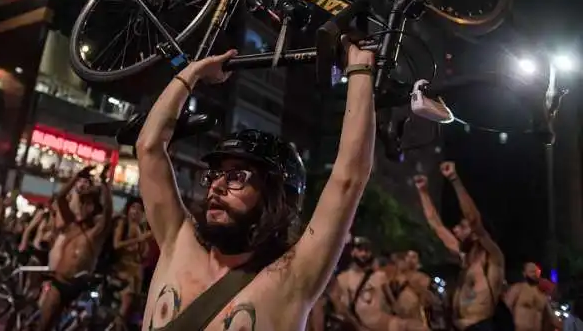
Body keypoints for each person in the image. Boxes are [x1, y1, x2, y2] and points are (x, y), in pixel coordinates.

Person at [135, 42, 375, 331]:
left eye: (237, 176)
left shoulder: (292, 277)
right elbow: (149, 149)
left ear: (274, 197)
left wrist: (360, 68)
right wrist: (193, 72)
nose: (217, 186)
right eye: (215, 175)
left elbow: (348, 179)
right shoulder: (178, 242)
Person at [414, 161, 505, 331]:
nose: (455, 230)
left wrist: (454, 179)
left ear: (475, 234)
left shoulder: (493, 257)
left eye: (461, 227)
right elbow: (436, 225)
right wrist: (423, 192)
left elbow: (473, 220)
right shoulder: (465, 256)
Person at [38, 165, 113, 330]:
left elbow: (108, 214)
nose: (86, 207)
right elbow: (61, 197)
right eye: (84, 203)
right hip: (59, 281)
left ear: (94, 208)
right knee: (44, 323)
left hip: (79, 288)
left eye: (90, 204)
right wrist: (77, 176)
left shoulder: (96, 232)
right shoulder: (71, 224)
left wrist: (105, 185)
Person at [332, 237, 428, 331]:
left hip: (385, 322)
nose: (364, 254)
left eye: (367, 250)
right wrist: (358, 327)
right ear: (353, 252)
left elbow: (393, 303)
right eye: (360, 250)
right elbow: (341, 308)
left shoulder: (380, 276)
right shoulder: (343, 278)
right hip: (360, 325)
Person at [112, 197, 153, 329]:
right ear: (128, 209)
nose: (136, 211)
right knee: (124, 308)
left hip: (135, 274)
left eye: (139, 209)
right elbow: (117, 244)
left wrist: (144, 241)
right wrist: (139, 239)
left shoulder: (140, 227)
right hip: (123, 271)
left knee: (131, 312)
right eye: (133, 207)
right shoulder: (123, 223)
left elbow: (143, 254)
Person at [503, 262, 563, 331]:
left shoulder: (542, 295)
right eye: (531, 271)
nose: (534, 274)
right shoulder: (518, 289)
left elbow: (551, 317)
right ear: (524, 273)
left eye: (535, 272)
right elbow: (505, 310)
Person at [390, 250, 437, 326]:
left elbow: (426, 300)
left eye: (414, 257)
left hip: (415, 317)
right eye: (408, 256)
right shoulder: (396, 277)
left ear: (418, 260)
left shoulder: (423, 277)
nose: (410, 260)